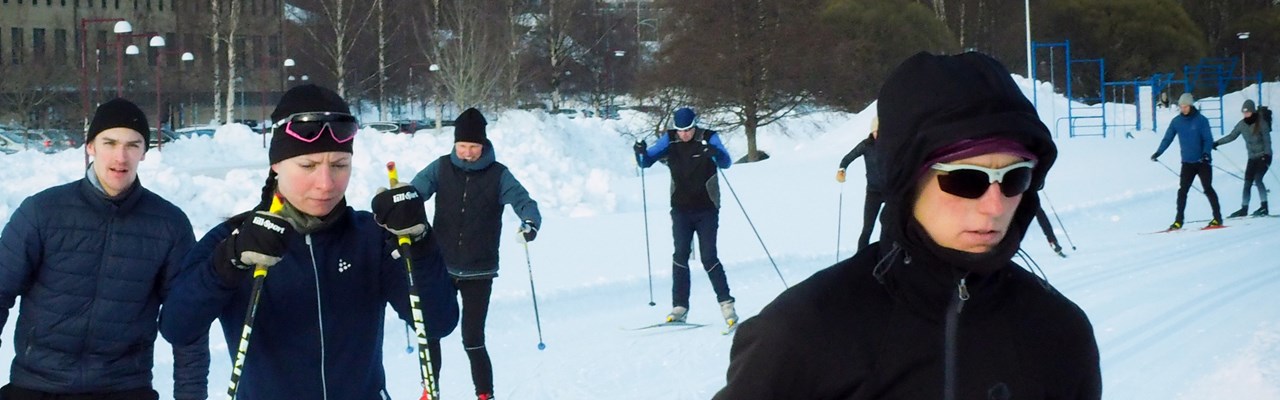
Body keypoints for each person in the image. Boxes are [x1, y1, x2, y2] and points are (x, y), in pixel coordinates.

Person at [714, 52, 1101, 399]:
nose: (995, 206)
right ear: (906, 179)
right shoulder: (803, 334)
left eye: (1015, 177)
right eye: (965, 179)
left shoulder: (1059, 332)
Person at [159, 84, 459, 399]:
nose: (326, 183)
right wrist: (228, 261)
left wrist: (420, 241)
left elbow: (438, 322)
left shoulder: (370, 236)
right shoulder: (236, 240)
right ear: (276, 165)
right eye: (308, 166)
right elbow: (178, 327)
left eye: (340, 165)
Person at [0, 98, 209, 400]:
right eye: (109, 142)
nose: (120, 156)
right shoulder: (42, 212)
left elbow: (189, 318)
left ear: (144, 152)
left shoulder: (169, 225)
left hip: (123, 387)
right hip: (38, 384)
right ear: (90, 146)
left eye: (132, 145)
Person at [409, 108, 542, 400]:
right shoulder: (441, 167)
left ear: (483, 145)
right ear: (454, 144)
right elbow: (414, 192)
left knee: (472, 339)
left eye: (473, 146)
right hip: (440, 265)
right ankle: (430, 391)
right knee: (431, 332)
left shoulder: (499, 175)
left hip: (478, 270)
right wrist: (399, 209)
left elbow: (524, 202)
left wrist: (530, 223)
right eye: (461, 146)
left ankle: (484, 394)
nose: (467, 152)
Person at [634, 107, 739, 327]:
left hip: (707, 208)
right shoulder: (669, 140)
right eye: (680, 130)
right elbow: (645, 162)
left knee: (708, 257)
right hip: (681, 209)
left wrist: (715, 153)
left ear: (695, 125)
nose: (684, 135)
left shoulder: (708, 137)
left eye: (688, 130)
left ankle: (727, 306)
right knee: (680, 255)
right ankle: (680, 307)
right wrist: (640, 151)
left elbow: (726, 162)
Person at [1151, 93, 1223, 229]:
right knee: (1182, 191)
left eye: (1185, 106)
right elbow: (1168, 138)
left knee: (1207, 188)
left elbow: (1208, 139)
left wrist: (1206, 154)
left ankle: (1218, 218)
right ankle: (1178, 221)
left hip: (1203, 162)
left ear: (1191, 105)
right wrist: (1158, 152)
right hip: (1187, 163)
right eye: (1181, 107)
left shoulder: (1201, 120)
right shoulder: (1176, 122)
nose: (1183, 109)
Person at [1214, 99, 1272, 217]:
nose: (1245, 115)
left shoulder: (1261, 123)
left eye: (1247, 112)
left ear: (1253, 112)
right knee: (1247, 183)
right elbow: (1232, 136)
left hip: (1263, 156)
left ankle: (1264, 207)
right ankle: (1244, 209)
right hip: (1252, 158)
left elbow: (1267, 141)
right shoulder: (1242, 124)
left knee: (1258, 179)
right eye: (1244, 113)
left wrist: (1266, 154)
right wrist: (1217, 143)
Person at [836, 117, 884, 250]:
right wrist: (842, 170)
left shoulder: (891, 145)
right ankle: (860, 256)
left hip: (891, 191)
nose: (878, 134)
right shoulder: (866, 145)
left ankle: (886, 254)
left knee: (889, 226)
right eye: (876, 131)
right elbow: (847, 158)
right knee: (867, 227)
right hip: (873, 191)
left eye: (881, 131)